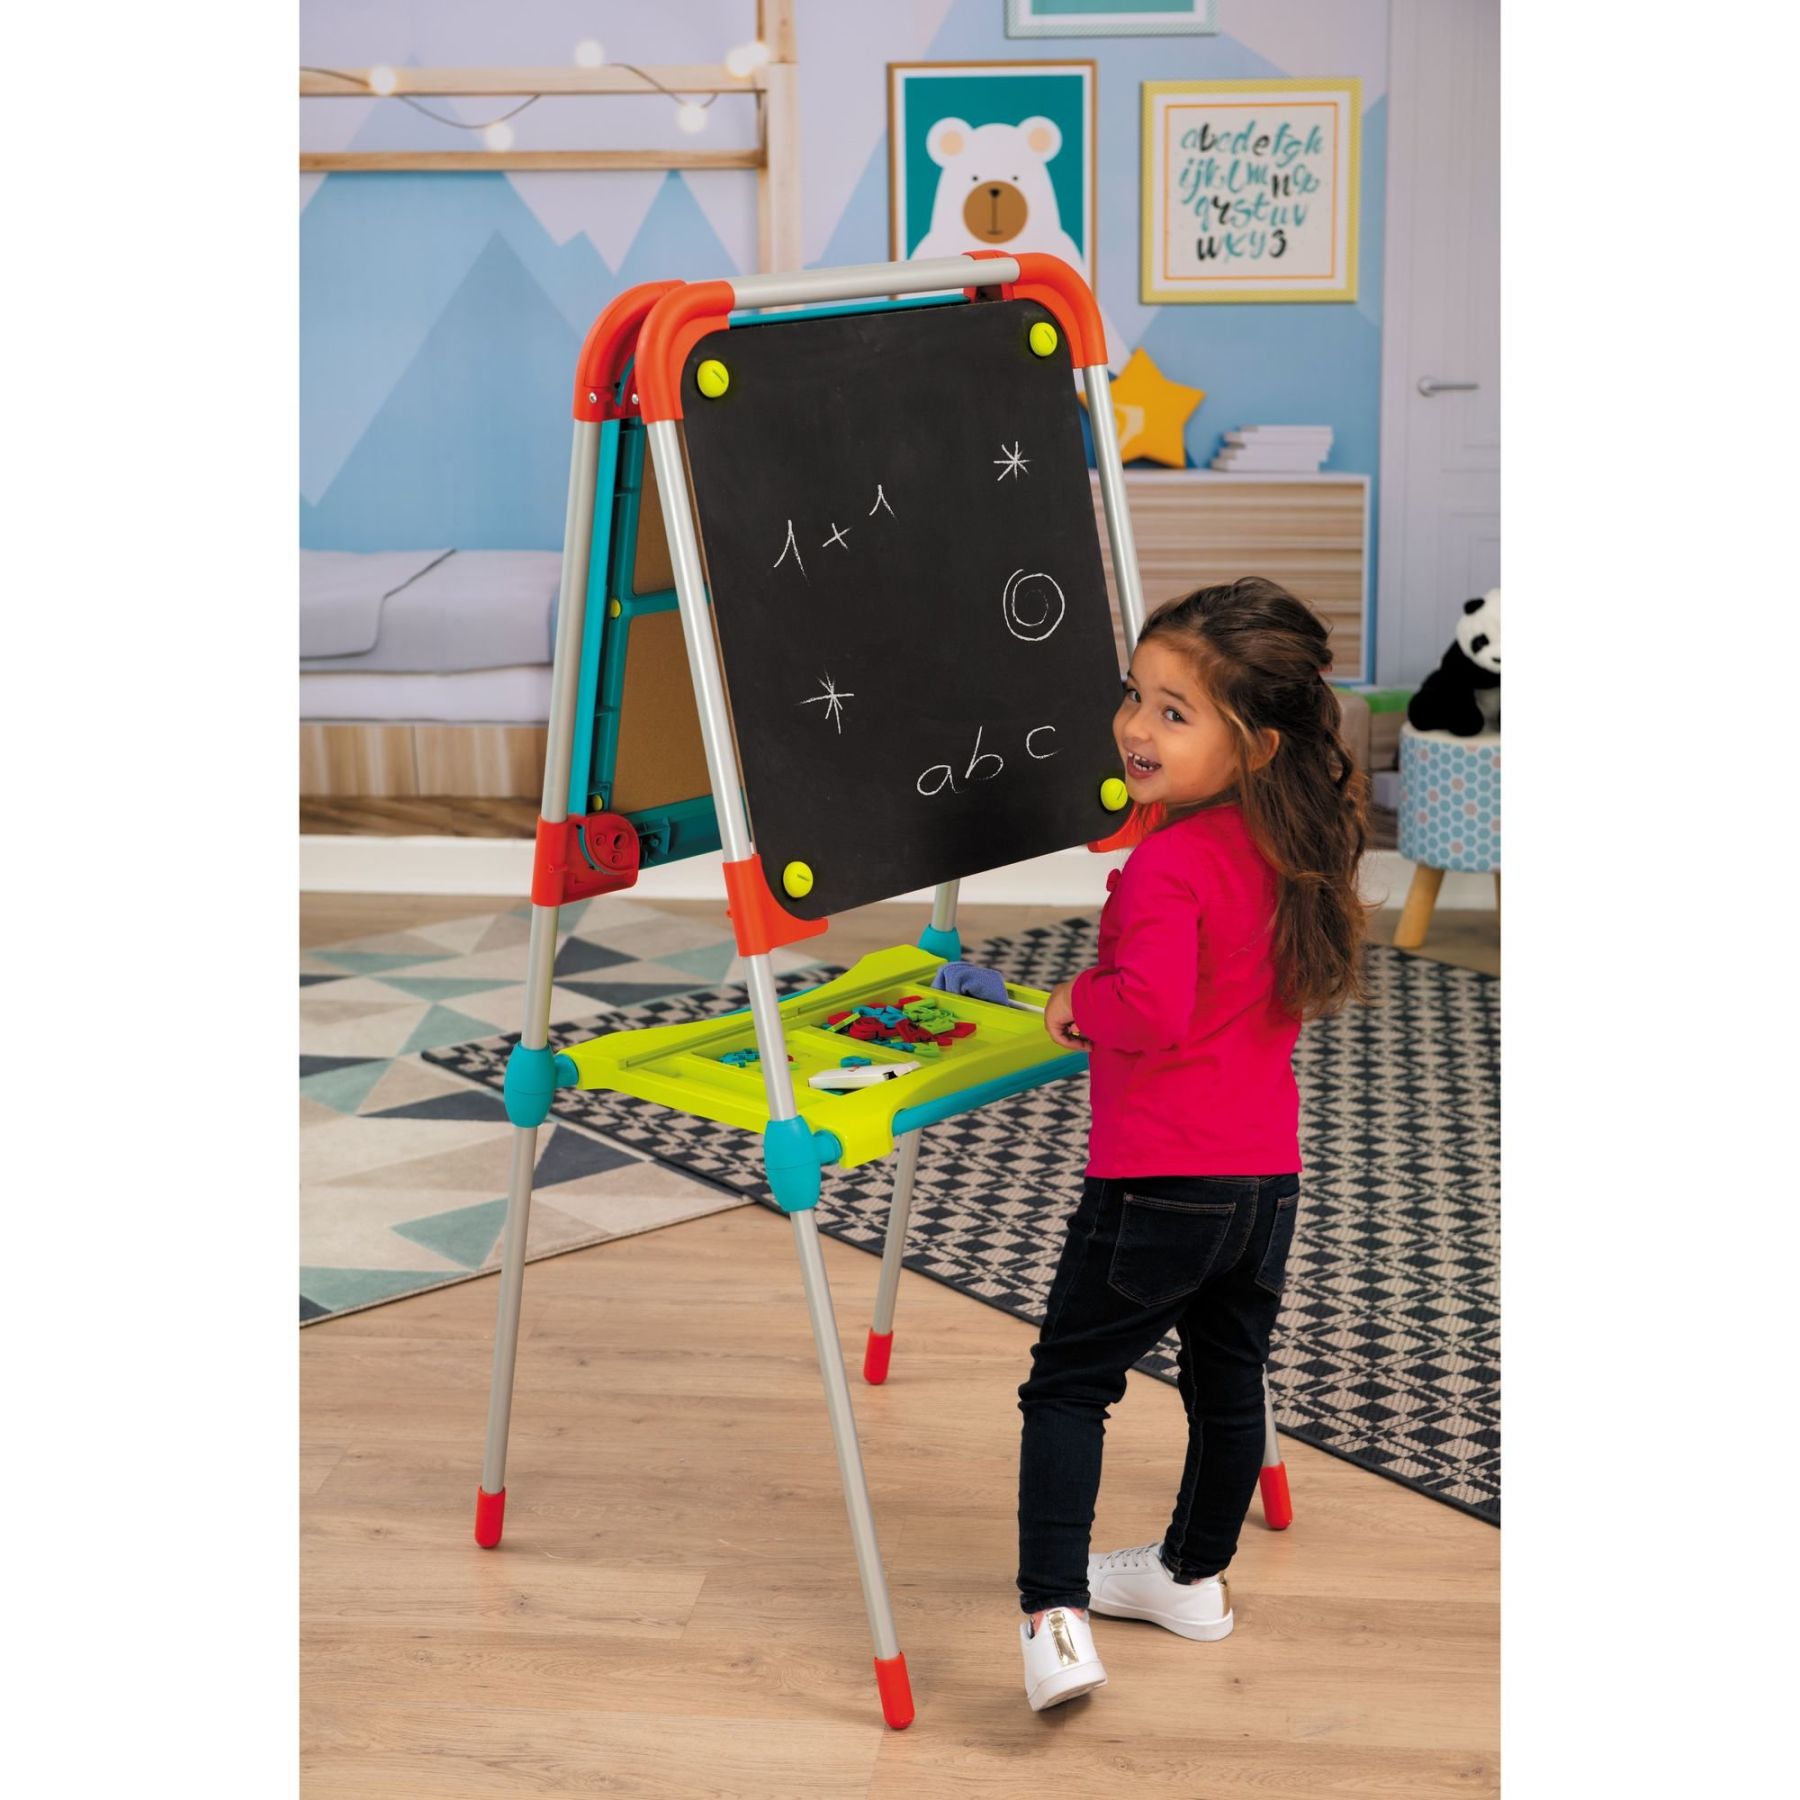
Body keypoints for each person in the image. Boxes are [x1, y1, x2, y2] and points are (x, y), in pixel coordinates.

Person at [1015, 576, 1370, 1713]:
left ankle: (1054, 1621)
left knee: (1069, 1386)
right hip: (1264, 1181)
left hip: (1160, 1181)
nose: (1135, 726)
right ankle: (1189, 1578)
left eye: (1175, 712)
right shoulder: (1290, 844)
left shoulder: (1171, 864)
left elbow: (1152, 1009)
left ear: (1255, 745)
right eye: (1135, 695)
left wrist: (1077, 1001)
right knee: (1228, 1381)